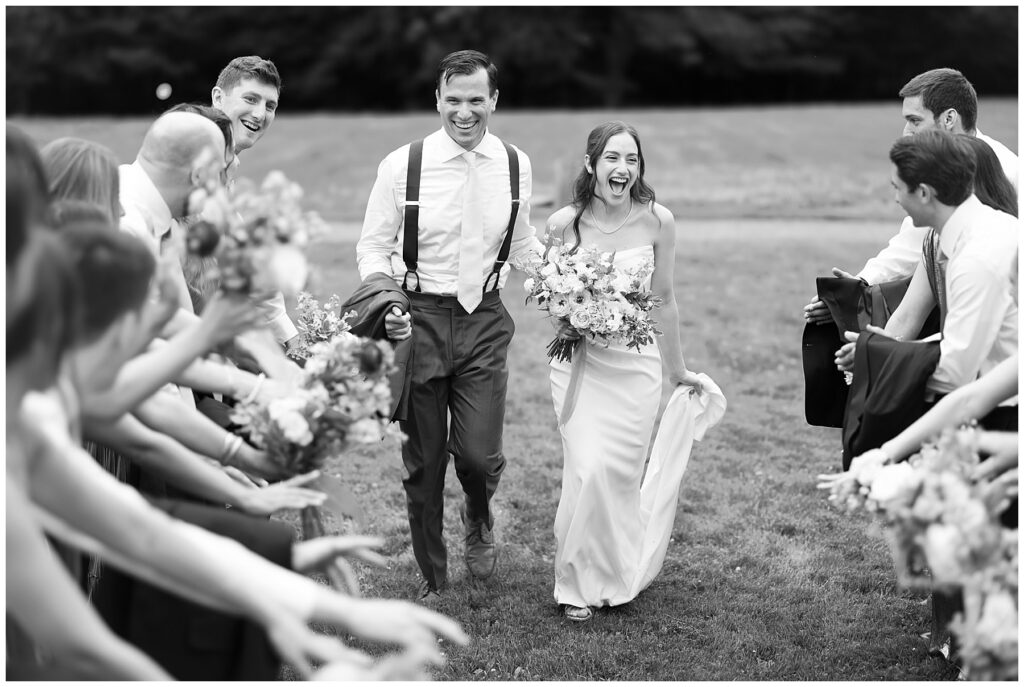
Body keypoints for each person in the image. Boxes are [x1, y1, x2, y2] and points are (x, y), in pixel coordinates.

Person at [357, 49, 545, 602]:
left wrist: (565, 287)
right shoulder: (401, 165)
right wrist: (388, 298)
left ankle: (479, 517)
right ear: (437, 100)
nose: (465, 112)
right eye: (454, 100)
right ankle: (432, 570)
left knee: (479, 456)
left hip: (484, 318)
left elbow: (523, 241)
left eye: (476, 100)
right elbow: (372, 246)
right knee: (424, 461)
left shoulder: (516, 164)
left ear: (494, 101)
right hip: (417, 320)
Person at [543, 122, 709, 622]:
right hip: (579, 365)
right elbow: (553, 301)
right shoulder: (563, 224)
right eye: (612, 158)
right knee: (587, 467)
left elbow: (666, 300)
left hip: (636, 369)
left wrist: (676, 369)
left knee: (617, 476)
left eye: (632, 160)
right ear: (591, 164)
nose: (623, 169)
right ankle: (573, 582)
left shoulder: (659, 221)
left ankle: (612, 574)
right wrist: (579, 313)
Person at [804, 68, 1019, 325]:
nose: (907, 132)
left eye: (915, 120)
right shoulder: (941, 167)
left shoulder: (1002, 170)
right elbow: (914, 245)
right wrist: (859, 286)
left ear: (949, 118)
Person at [210, 55, 300, 352]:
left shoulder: (228, 174)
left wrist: (296, 342)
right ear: (218, 97)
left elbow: (255, 286)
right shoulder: (193, 167)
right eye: (251, 99)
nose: (260, 114)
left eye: (270, 106)